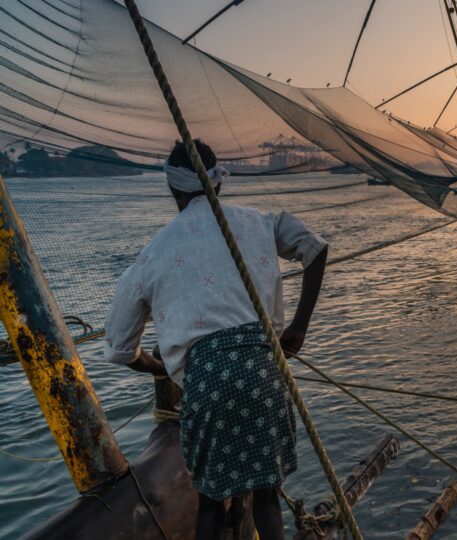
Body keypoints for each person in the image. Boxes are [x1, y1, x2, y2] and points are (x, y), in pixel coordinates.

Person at [103, 140, 328, 540]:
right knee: (267, 497)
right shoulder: (257, 221)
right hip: (263, 368)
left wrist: (156, 367)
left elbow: (120, 348)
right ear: (218, 184)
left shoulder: (153, 253)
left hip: (206, 380)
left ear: (173, 190)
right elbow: (315, 249)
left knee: (210, 501)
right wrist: (298, 329)